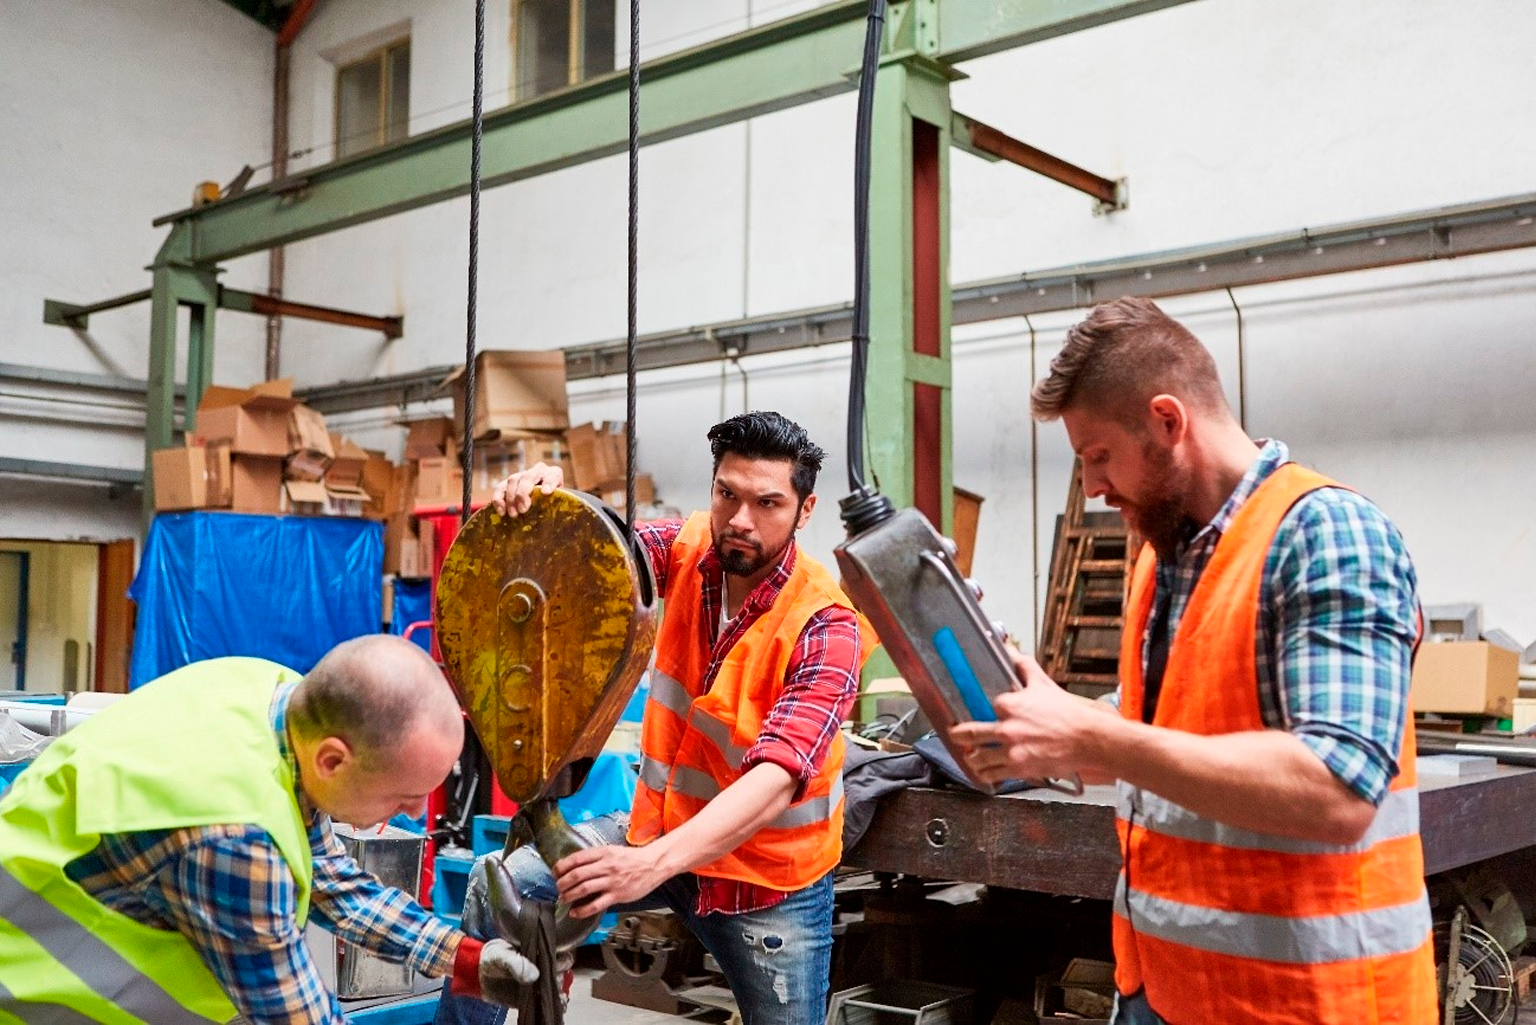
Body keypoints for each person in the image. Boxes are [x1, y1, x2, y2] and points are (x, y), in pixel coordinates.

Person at [952, 297, 1436, 1025]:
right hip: (1166, 989)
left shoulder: (1326, 532)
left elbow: (1340, 789)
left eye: (1097, 455)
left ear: (1168, 422)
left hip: (1309, 1003)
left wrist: (1093, 737)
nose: (1090, 487)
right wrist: (1047, 715)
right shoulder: (1163, 555)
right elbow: (1161, 730)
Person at [436, 411, 877, 1025]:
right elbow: (595, 558)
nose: (741, 520)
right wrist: (544, 506)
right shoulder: (692, 546)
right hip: (657, 832)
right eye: (728, 494)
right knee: (498, 887)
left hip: (766, 883)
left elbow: (778, 774)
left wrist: (649, 864)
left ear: (805, 510)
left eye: (768, 503)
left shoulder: (827, 625)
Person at [0, 634, 539, 1024]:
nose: (417, 814)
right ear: (334, 760)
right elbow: (297, 1016)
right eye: (403, 795)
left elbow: (334, 884)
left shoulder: (273, 696)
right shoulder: (234, 836)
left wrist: (466, 958)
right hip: (31, 989)